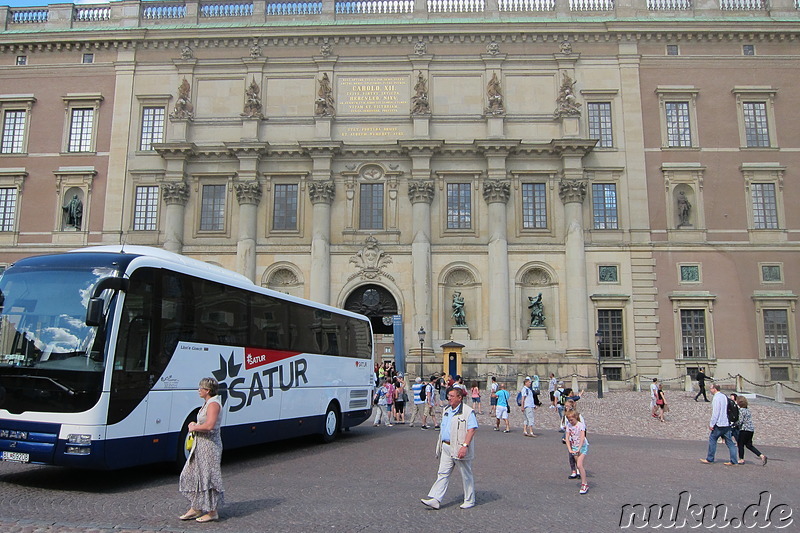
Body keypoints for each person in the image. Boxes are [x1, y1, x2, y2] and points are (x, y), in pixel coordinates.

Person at [421, 387, 478, 510]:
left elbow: (472, 429)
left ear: (459, 397)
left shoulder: (468, 411)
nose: (449, 398)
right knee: (442, 473)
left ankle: (469, 499)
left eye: (452, 396)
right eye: (449, 396)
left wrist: (465, 446)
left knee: (465, 474)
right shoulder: (446, 410)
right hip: (446, 446)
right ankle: (436, 499)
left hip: (459, 447)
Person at [179, 377, 224, 523]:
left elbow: (210, 425)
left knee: (208, 477)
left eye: (201, 388)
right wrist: (195, 423)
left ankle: (212, 512)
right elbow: (203, 422)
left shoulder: (213, 404)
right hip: (201, 445)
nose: (199, 390)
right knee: (194, 474)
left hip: (209, 446)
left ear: (208, 390)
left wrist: (194, 427)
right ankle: (196, 507)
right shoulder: (207, 403)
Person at [700, 382, 738, 466]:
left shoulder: (716, 398)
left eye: (711, 388)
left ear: (715, 389)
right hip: (726, 423)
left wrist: (711, 424)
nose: (710, 390)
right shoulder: (724, 396)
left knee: (712, 439)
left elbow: (716, 412)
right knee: (730, 443)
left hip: (719, 423)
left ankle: (710, 458)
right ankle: (734, 460)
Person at [564, 409, 590, 495]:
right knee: (578, 466)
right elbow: (567, 438)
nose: (570, 422)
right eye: (569, 420)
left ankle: (584, 484)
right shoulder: (568, 425)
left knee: (579, 464)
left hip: (582, 447)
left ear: (575, 417)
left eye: (571, 420)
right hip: (574, 447)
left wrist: (579, 448)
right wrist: (570, 449)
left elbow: (582, 437)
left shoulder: (580, 425)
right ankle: (584, 482)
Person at [735, 397, 767, 466]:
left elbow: (740, 421)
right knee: (749, 445)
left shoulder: (741, 410)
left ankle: (741, 459)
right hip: (750, 429)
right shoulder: (747, 410)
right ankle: (761, 455)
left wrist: (734, 424)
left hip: (744, 429)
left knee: (740, 444)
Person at [560, 399, 585, 480]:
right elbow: (562, 424)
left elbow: (583, 426)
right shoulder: (565, 416)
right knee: (571, 456)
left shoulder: (577, 415)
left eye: (568, 406)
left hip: (577, 438)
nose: (566, 407)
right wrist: (564, 428)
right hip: (571, 439)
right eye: (565, 406)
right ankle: (573, 471)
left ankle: (578, 470)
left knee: (577, 455)